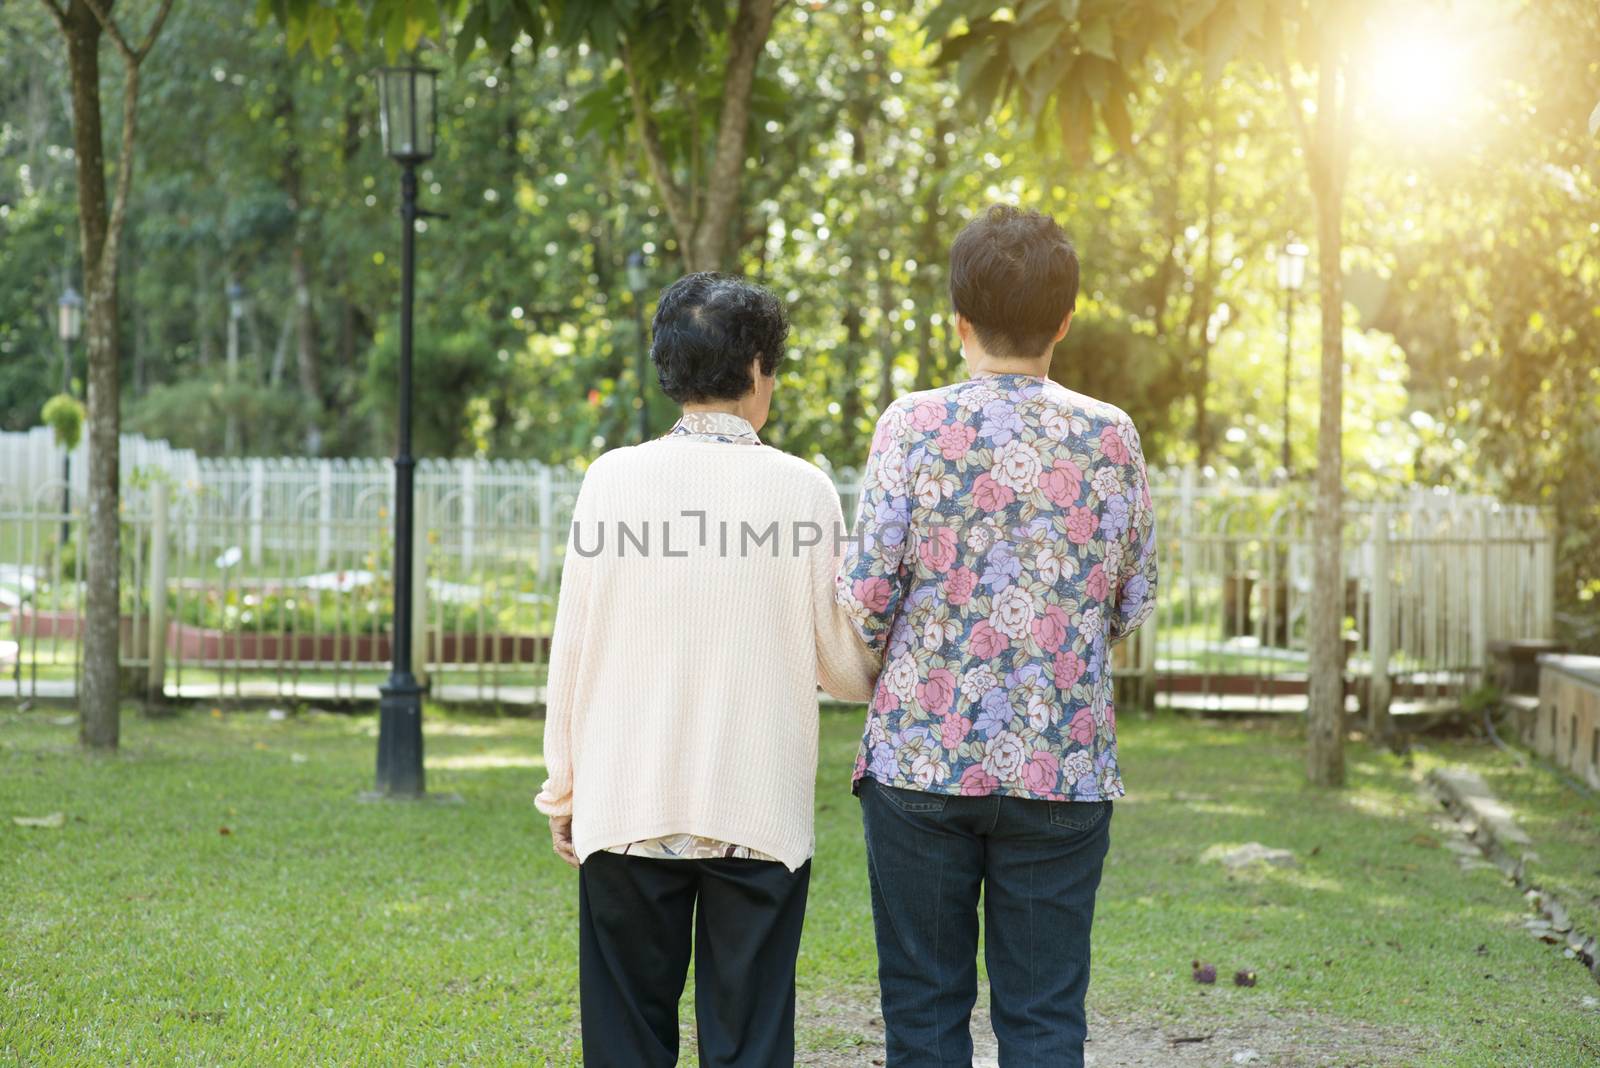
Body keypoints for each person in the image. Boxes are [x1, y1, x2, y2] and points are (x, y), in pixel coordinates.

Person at [836, 204, 1158, 1067]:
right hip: (1064, 761)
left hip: (921, 761)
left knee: (926, 1012)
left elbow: (866, 594)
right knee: (1047, 1018)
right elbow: (1129, 597)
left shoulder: (911, 425)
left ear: (960, 321)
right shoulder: (1112, 435)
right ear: (1064, 318)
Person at [535, 272, 880, 1068]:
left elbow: (573, 647)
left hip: (626, 802)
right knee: (751, 1043)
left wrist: (564, 788)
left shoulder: (610, 481)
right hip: (754, 813)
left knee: (626, 1040)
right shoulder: (804, 492)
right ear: (760, 366)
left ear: (669, 366)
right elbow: (842, 664)